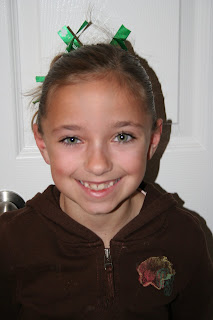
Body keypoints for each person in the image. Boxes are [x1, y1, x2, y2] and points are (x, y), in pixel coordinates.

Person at [0, 37, 212, 319]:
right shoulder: (10, 242)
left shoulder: (184, 237)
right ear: (43, 143)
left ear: (152, 140)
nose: (98, 165)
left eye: (122, 136)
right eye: (72, 138)